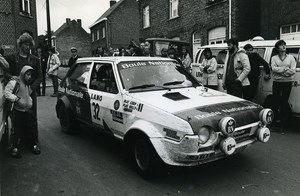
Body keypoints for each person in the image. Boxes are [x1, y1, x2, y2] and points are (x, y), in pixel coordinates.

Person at [5, 33, 42, 155]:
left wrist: (31, 88)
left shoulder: (35, 59)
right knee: (17, 118)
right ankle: (17, 143)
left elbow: (40, 76)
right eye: (26, 44)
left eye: (30, 44)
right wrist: (12, 77)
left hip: (30, 93)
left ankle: (34, 142)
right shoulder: (12, 58)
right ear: (20, 44)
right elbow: (6, 72)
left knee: (32, 117)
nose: (28, 47)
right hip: (16, 93)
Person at [4, 66, 40, 158]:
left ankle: (32, 144)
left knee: (30, 127)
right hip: (17, 110)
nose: (29, 77)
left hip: (26, 110)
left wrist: (30, 102)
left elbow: (27, 96)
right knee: (16, 129)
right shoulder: (15, 82)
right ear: (23, 74)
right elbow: (7, 93)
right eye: (28, 74)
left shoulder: (27, 84)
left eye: (31, 75)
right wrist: (16, 99)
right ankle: (14, 148)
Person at [270, 40, 296, 133]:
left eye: (284, 44)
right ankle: (274, 124)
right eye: (281, 45)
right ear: (277, 48)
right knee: (275, 102)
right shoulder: (274, 58)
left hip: (287, 82)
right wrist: (285, 69)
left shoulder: (291, 58)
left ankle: (282, 126)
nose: (284, 46)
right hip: (277, 82)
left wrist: (280, 72)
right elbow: (273, 68)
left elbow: (293, 71)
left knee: (284, 102)